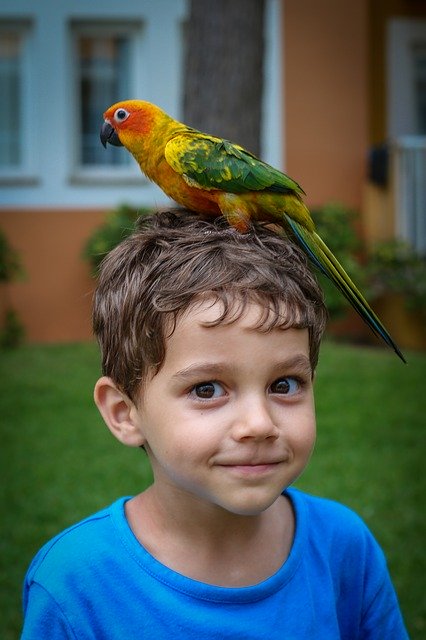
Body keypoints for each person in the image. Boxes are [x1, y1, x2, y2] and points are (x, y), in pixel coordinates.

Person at [21, 211, 408, 639]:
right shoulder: (74, 585)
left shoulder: (344, 548)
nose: (259, 424)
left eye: (284, 384)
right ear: (124, 413)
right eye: (207, 390)